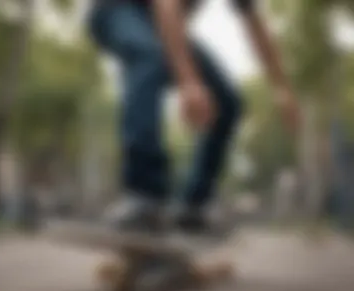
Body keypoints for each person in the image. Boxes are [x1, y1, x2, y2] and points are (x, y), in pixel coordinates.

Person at [87, 0, 300, 234]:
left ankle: (193, 206)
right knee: (149, 56)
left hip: (157, 23)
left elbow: (255, 25)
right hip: (116, 10)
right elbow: (166, 6)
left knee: (226, 101)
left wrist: (281, 88)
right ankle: (143, 195)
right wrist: (188, 81)